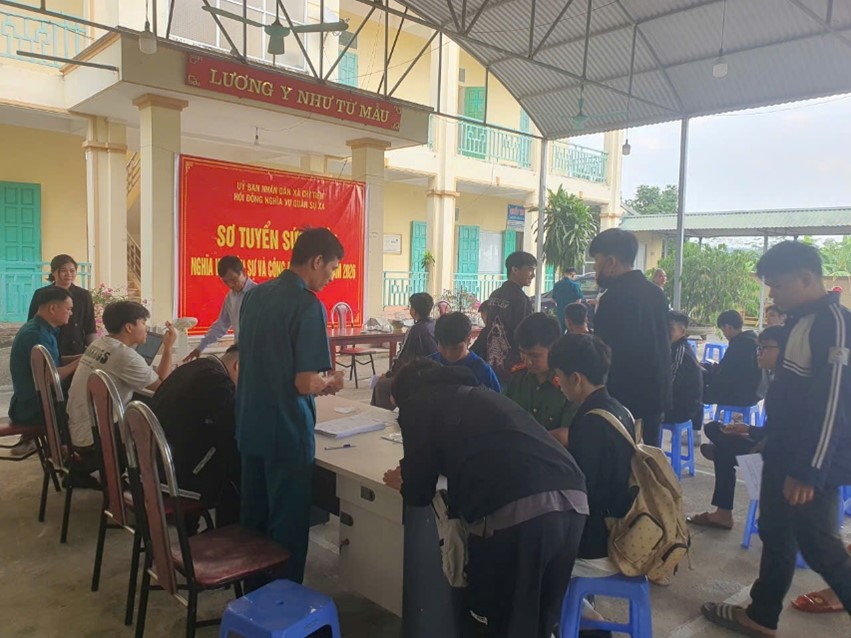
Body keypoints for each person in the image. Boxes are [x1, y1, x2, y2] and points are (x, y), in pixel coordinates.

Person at [702, 241, 851, 637]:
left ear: (806, 278)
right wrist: (766, 439)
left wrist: (808, 471)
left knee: (821, 547)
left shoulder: (834, 324)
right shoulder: (797, 322)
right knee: (775, 531)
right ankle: (762, 614)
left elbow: (833, 404)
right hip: (783, 450)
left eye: (778, 285)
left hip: (811, 461)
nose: (773, 295)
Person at [382, 358, 588, 638]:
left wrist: (405, 481)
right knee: (541, 620)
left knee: (506, 621)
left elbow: (419, 492)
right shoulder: (477, 395)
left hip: (521, 511)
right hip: (573, 498)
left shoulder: (418, 404)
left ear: (403, 395)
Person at [236, 227, 345, 584]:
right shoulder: (307, 305)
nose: (331, 277)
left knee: (254, 519)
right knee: (288, 526)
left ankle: (253, 596)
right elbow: (304, 382)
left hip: (250, 423)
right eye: (331, 269)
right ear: (317, 261)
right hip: (286, 430)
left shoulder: (254, 296)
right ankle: (283, 600)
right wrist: (330, 383)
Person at [548, 334, 635, 585]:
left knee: (525, 549)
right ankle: (580, 606)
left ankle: (571, 608)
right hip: (622, 525)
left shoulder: (591, 423)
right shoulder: (619, 409)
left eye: (559, 377)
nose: (558, 384)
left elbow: (582, 496)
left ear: (576, 378)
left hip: (601, 546)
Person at [65, 301, 176, 488]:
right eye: (143, 323)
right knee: (158, 416)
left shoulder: (100, 343)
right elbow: (162, 387)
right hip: (95, 435)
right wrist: (168, 347)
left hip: (76, 427)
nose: (146, 328)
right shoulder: (125, 356)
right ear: (129, 327)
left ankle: (89, 470)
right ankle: (147, 481)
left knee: (141, 403)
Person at [687, 326, 786, 531]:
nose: (759, 353)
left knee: (723, 449)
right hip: (766, 441)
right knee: (714, 428)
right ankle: (722, 512)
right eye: (758, 348)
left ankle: (723, 513)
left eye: (764, 348)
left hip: (777, 455)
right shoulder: (776, 378)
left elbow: (783, 434)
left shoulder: (788, 386)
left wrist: (750, 432)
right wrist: (747, 429)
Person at [589, 228, 672, 446]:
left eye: (597, 260)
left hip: (624, 397)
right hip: (656, 394)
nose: (595, 268)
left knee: (622, 456)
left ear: (611, 262)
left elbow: (603, 352)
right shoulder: (656, 293)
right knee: (650, 456)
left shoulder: (613, 298)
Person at [151, 345, 241, 527]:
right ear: (238, 366)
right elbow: (236, 425)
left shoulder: (195, 367)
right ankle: (232, 536)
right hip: (173, 477)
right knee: (240, 471)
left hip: (152, 466)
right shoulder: (217, 382)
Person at [8, 287, 80, 456]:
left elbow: (54, 362)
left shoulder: (44, 330)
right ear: (53, 308)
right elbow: (49, 377)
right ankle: (70, 455)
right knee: (82, 409)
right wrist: (78, 363)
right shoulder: (36, 335)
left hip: (37, 402)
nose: (71, 313)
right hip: (32, 408)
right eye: (68, 309)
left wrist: (82, 357)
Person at [471, 251, 536, 383]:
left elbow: (489, 327)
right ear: (515, 270)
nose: (533, 275)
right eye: (530, 270)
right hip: (512, 366)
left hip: (491, 362)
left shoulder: (495, 294)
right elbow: (524, 334)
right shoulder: (521, 299)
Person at [506, 313, 577, 433]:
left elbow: (568, 433)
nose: (528, 361)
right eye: (522, 353)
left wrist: (532, 438)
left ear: (554, 349)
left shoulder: (569, 383)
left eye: (535, 356)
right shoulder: (518, 377)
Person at [371, 292, 438, 409]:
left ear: (414, 310)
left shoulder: (415, 330)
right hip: (432, 372)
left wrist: (388, 374)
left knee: (381, 385)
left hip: (418, 376)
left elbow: (403, 358)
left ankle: (380, 416)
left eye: (411, 307)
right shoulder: (434, 325)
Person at [184, 255, 255, 360]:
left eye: (233, 279)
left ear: (244, 272)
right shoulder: (230, 298)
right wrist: (199, 348)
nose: (230, 285)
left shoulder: (258, 294)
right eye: (226, 282)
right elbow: (221, 325)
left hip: (258, 351)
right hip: (241, 353)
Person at [27, 254, 96, 357]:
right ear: (53, 272)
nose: (69, 274)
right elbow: (32, 322)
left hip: (76, 350)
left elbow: (90, 328)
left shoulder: (84, 295)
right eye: (63, 270)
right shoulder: (41, 294)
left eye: (72, 271)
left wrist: (94, 353)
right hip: (50, 348)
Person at [703, 310, 766, 408]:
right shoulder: (752, 339)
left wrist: (708, 372)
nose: (724, 334)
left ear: (728, 327)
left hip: (742, 395)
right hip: (757, 393)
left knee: (696, 391)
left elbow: (725, 375)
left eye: (723, 330)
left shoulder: (739, 344)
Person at [428, 312, 500, 391]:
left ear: (468, 340)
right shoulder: (429, 365)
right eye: (443, 347)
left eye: (455, 348)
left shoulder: (483, 372)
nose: (449, 354)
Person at [666, 311, 703, 429]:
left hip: (682, 409)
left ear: (683, 332)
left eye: (671, 329)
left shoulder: (680, 352)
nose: (666, 332)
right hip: (676, 402)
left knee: (642, 410)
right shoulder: (671, 347)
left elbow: (670, 383)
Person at [551, 267, 583, 332]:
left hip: (560, 314)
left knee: (560, 333)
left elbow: (553, 300)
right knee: (571, 334)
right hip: (571, 315)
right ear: (573, 275)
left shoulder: (557, 285)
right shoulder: (575, 285)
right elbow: (578, 301)